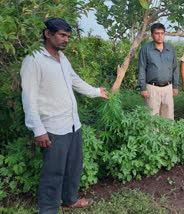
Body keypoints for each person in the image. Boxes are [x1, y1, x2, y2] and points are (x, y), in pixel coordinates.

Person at [20, 18, 109, 214]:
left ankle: (70, 200)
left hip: (72, 125)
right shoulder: (33, 60)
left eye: (67, 36)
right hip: (52, 128)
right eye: (61, 35)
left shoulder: (63, 58)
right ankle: (49, 209)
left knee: (72, 168)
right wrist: (38, 129)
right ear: (48, 34)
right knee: (53, 173)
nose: (65, 40)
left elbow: (75, 80)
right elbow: (29, 98)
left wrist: (96, 91)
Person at [137, 23, 179, 120]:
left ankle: (167, 136)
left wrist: (175, 86)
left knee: (168, 117)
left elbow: (175, 68)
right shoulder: (146, 49)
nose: (160, 36)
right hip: (152, 88)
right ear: (152, 35)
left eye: (162, 33)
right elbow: (142, 68)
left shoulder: (170, 49)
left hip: (168, 88)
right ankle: (153, 135)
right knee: (152, 117)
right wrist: (143, 88)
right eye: (157, 33)